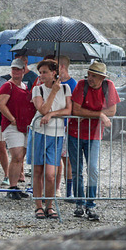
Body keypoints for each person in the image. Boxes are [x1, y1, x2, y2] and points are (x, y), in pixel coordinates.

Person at [68, 61, 119, 221]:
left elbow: (112, 110)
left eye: (94, 76)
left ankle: (90, 204)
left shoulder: (108, 86)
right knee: (76, 170)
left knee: (93, 169)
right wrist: (99, 114)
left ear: (102, 78)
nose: (90, 78)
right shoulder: (81, 85)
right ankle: (79, 202)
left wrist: (92, 114)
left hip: (94, 134)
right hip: (75, 133)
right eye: (89, 74)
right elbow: (76, 110)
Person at [28, 59, 72, 219]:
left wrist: (52, 114)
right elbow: (43, 108)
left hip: (57, 134)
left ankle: (50, 205)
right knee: (38, 171)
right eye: (40, 72)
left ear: (54, 73)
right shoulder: (37, 90)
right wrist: (53, 92)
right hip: (39, 133)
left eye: (45, 72)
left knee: (51, 174)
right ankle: (39, 206)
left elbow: (68, 110)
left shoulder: (65, 88)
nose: (41, 75)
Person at [0, 59, 36, 200]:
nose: (15, 72)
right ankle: (12, 187)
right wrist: (12, 119)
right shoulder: (8, 86)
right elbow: (1, 104)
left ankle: (15, 186)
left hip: (23, 125)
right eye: (14, 69)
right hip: (13, 125)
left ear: (23, 70)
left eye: (18, 69)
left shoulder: (25, 87)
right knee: (17, 156)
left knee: (20, 157)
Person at [54, 55, 78, 198]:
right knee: (55, 160)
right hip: (56, 126)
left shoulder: (72, 83)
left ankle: (68, 192)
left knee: (67, 160)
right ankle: (56, 189)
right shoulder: (56, 83)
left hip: (66, 126)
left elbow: (73, 106)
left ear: (62, 67)